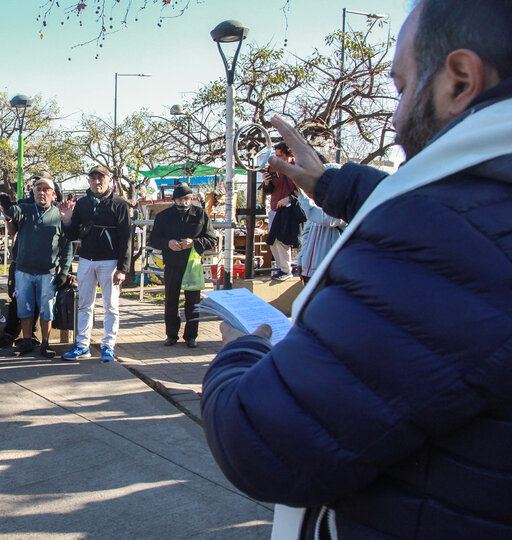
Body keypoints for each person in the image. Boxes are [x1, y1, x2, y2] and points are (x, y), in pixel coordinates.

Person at [201, 0, 512, 536]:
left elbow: (266, 442)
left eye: (401, 85)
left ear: (459, 80)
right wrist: (333, 185)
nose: (394, 117)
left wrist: (240, 352)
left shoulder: (442, 240)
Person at [58, 165, 132, 363]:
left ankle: (108, 345)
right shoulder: (82, 204)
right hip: (86, 260)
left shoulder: (120, 204)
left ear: (109, 181)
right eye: (93, 178)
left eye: (101, 178)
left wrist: (123, 268)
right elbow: (73, 234)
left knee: (111, 306)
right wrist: (66, 221)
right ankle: (82, 345)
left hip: (110, 262)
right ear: (89, 181)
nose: (97, 182)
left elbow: (126, 238)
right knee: (84, 305)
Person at [3, 175, 73, 358]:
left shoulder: (59, 214)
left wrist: (64, 272)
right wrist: (8, 211)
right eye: (38, 189)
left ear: (53, 193)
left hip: (48, 272)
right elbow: (14, 215)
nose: (42, 193)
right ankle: (26, 342)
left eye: (46, 190)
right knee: (24, 308)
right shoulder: (25, 209)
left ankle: (45, 344)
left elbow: (68, 246)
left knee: (47, 310)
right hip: (23, 270)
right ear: (33, 191)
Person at [148, 183, 217, 348]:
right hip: (172, 263)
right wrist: (168, 243)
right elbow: (154, 239)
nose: (183, 202)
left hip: (192, 264)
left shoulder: (200, 214)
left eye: (186, 199)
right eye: (180, 199)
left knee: (193, 301)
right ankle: (171, 335)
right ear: (174, 200)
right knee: (171, 300)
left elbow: (211, 239)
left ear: (191, 198)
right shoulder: (164, 216)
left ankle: (191, 336)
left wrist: (193, 242)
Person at [262, 142, 298, 280]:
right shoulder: (272, 167)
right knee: (274, 240)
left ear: (289, 155)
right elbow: (268, 190)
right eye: (276, 156)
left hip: (293, 209)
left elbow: (302, 189)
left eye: (281, 156)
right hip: (276, 208)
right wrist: (266, 182)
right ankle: (284, 268)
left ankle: (289, 268)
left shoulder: (296, 167)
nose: (278, 159)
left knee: (288, 240)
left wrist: (289, 198)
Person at [295, 193, 344, 284]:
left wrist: (302, 196)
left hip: (329, 273)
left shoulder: (345, 209)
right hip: (309, 272)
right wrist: (301, 261)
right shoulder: (315, 210)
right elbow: (305, 238)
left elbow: (325, 219)